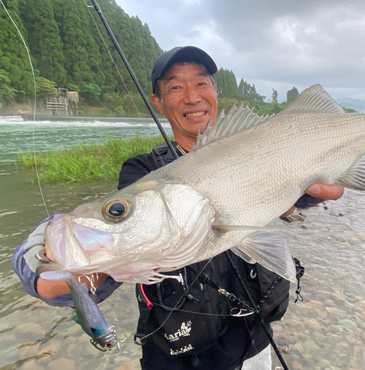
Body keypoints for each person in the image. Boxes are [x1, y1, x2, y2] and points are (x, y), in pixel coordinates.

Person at [12, 46, 344, 370]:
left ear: (215, 89)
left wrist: (312, 191)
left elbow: (299, 195)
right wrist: (57, 264)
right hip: (173, 352)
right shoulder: (141, 171)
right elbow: (129, 244)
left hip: (252, 341)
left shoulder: (263, 148)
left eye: (201, 82)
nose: (192, 96)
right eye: (175, 86)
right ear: (157, 101)